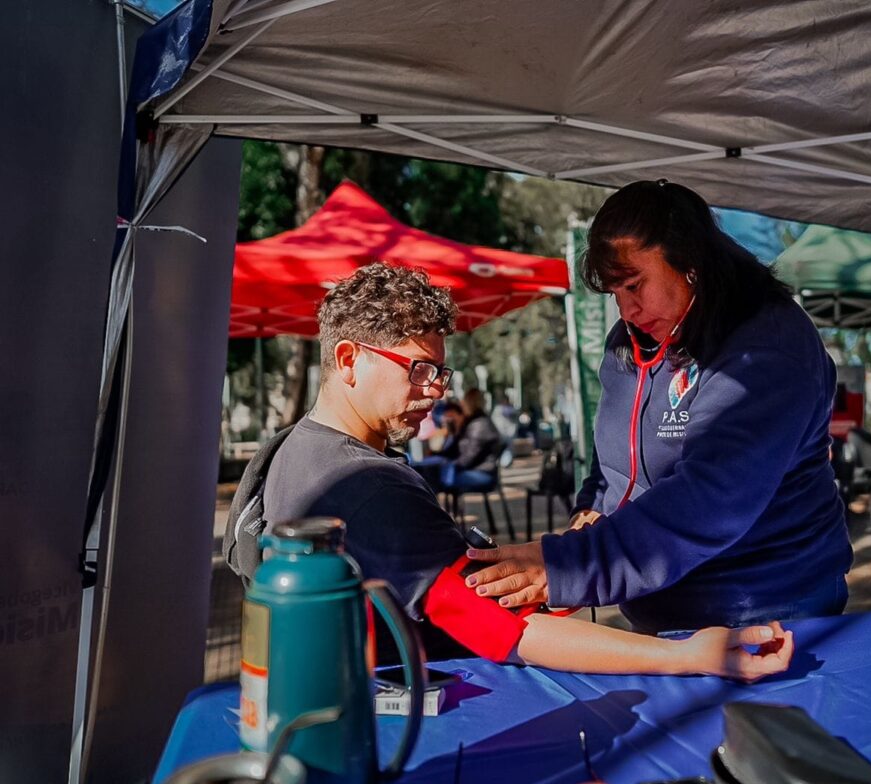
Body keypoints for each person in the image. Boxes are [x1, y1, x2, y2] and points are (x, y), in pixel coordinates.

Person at [259, 261, 793, 680]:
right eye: (418, 369)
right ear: (349, 359)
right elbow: (508, 633)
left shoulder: (293, 450)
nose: (437, 388)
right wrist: (687, 655)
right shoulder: (369, 487)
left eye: (441, 371)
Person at [466, 180, 853, 634]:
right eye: (615, 293)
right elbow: (610, 460)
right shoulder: (630, 345)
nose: (626, 310)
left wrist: (573, 566)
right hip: (663, 608)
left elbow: (711, 498)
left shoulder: (767, 348)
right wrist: (591, 513)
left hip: (763, 605)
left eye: (635, 285)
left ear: (691, 264)